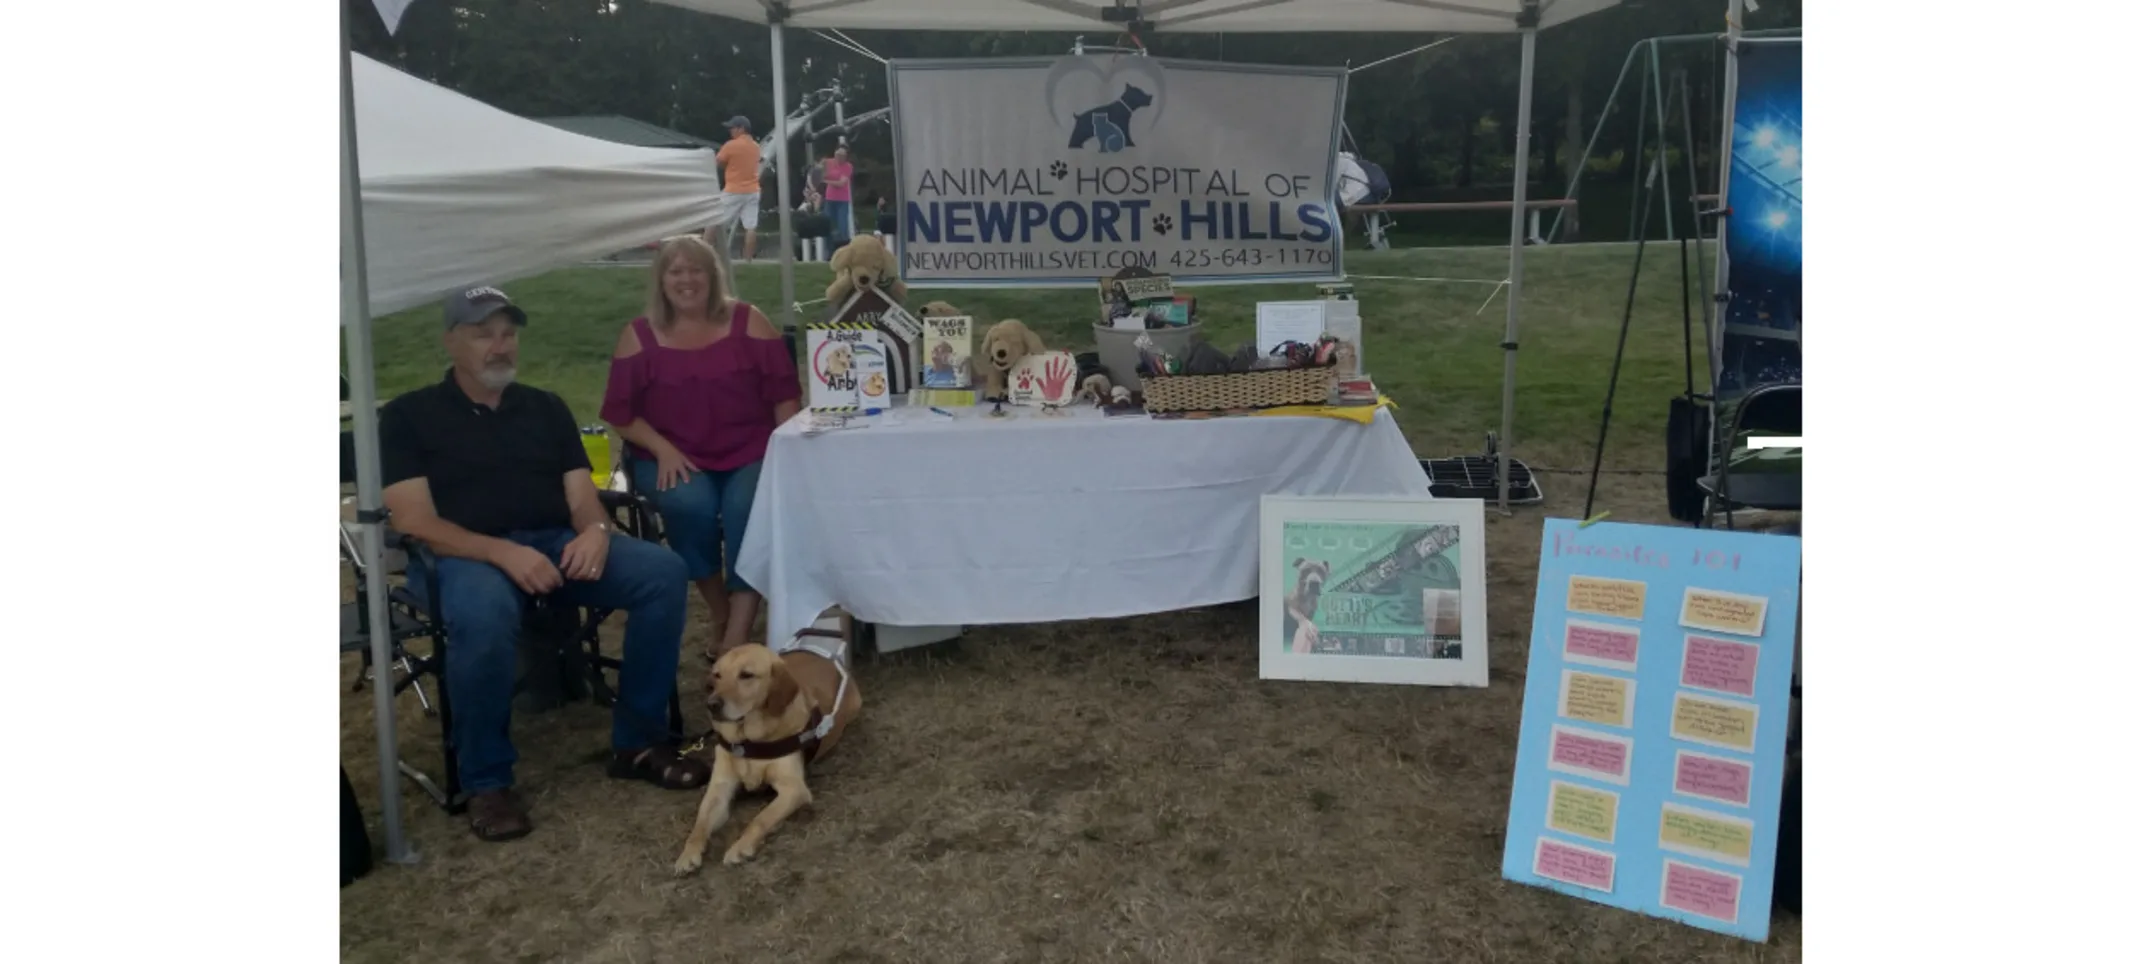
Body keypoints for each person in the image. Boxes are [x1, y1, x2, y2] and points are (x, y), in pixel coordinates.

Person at [380, 285, 709, 843]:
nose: (500, 346)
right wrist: (503, 552)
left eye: (508, 334)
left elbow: (583, 497)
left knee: (662, 573)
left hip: (555, 540)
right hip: (463, 555)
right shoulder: (410, 417)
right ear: (450, 341)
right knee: (482, 612)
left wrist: (597, 533)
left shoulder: (546, 407)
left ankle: (639, 740)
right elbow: (415, 522)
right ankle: (486, 779)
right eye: (484, 334)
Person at [601, 236, 801, 659]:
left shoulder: (749, 321)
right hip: (671, 453)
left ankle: (736, 635)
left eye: (696, 270)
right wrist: (663, 448)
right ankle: (720, 609)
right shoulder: (638, 336)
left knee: (749, 509)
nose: (687, 280)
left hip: (748, 447)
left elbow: (785, 394)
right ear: (661, 280)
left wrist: (785, 452)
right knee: (688, 506)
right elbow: (618, 413)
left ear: (713, 276)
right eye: (676, 271)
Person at [708, 114, 762, 261]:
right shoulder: (756, 147)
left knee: (713, 220)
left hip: (733, 190)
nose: (730, 131)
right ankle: (748, 260)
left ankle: (704, 254)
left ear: (741, 128)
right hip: (753, 190)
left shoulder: (731, 145)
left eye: (733, 128)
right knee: (750, 227)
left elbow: (717, 162)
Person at [820, 145, 854, 246]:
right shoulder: (828, 162)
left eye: (842, 155)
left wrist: (825, 181)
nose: (839, 157)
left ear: (846, 157)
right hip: (830, 199)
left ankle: (844, 247)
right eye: (838, 154)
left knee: (842, 225)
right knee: (827, 225)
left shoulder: (848, 167)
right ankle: (828, 249)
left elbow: (841, 183)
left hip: (842, 200)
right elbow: (818, 172)